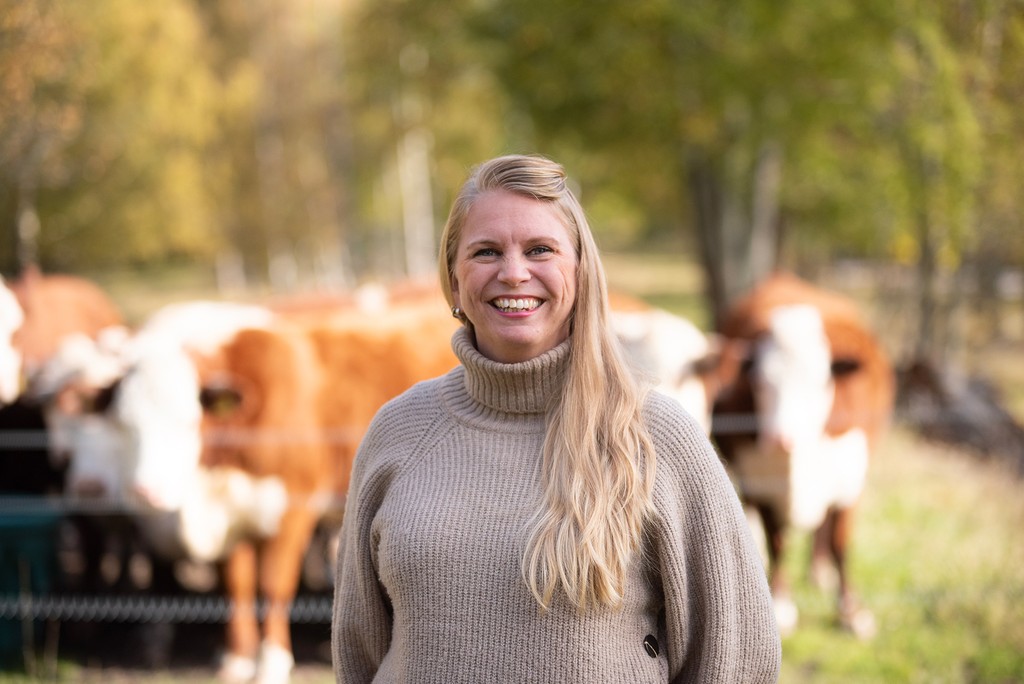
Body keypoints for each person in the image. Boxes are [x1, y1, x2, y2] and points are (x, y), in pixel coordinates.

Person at [332, 154, 781, 682]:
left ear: (580, 270)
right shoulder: (400, 431)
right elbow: (358, 650)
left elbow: (735, 656)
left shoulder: (656, 435)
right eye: (486, 251)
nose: (514, 272)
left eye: (540, 249)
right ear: (453, 280)